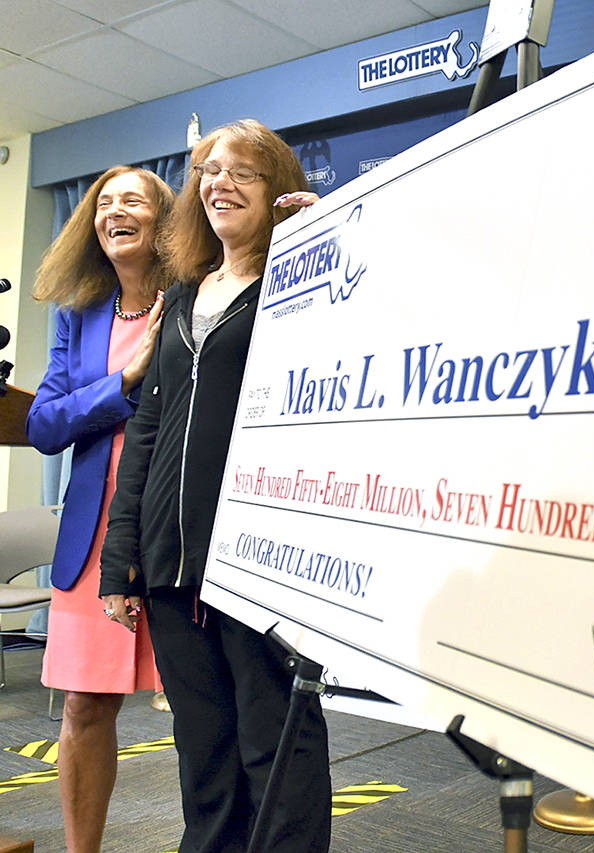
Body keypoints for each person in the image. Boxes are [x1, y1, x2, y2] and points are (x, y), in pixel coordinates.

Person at [99, 120, 330, 853]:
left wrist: (322, 247)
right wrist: (121, 555)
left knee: (276, 749)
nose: (219, 182)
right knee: (204, 754)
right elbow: (146, 430)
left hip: (259, 562)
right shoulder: (181, 294)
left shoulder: (299, 287)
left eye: (243, 172)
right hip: (171, 568)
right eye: (209, 170)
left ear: (276, 188)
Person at [25, 165, 172, 853]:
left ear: (164, 218)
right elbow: (45, 426)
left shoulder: (196, 297)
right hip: (92, 543)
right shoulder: (77, 316)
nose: (116, 210)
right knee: (84, 707)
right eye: (104, 202)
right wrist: (123, 381)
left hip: (176, 528)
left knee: (206, 708)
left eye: (133, 200)